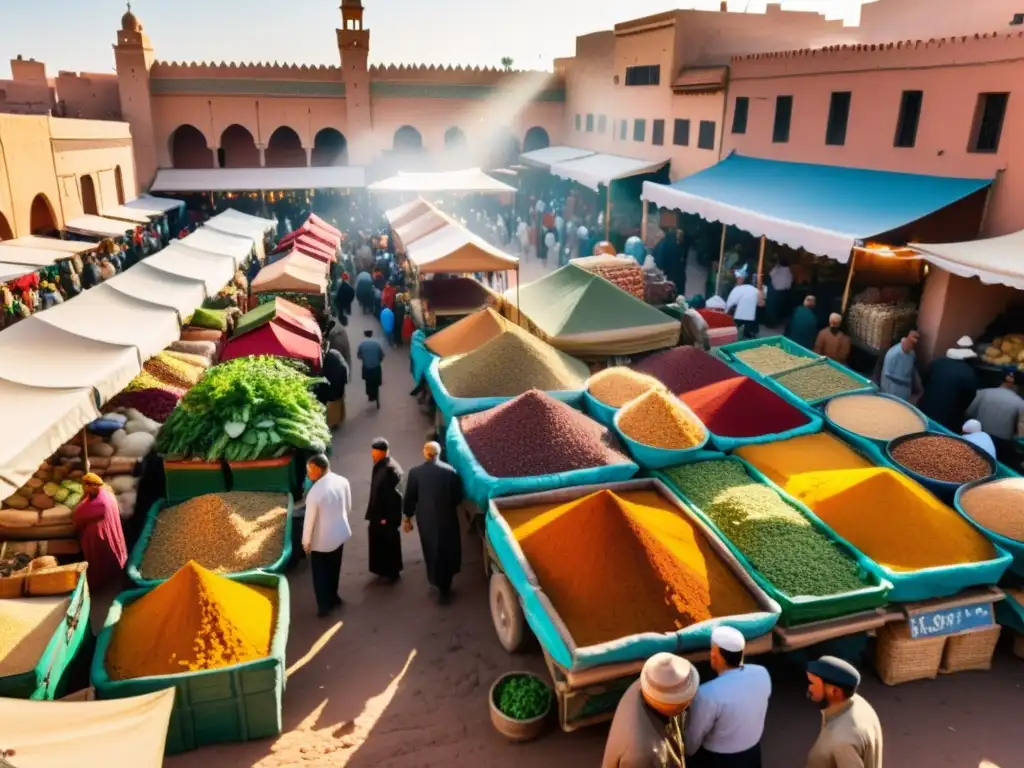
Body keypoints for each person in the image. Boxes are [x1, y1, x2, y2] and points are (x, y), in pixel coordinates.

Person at [685, 626, 771, 767]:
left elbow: (692, 741)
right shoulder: (762, 673)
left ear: (714, 656)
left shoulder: (707, 693)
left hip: (720, 761)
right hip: (753, 754)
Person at [602, 652, 700, 768]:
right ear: (665, 703)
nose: (688, 705)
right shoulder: (640, 755)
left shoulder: (647, 685)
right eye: (682, 703)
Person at [402, 441, 464, 604]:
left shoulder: (415, 473)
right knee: (447, 548)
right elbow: (458, 497)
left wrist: (408, 517)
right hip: (447, 518)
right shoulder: (450, 472)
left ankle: (435, 580)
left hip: (426, 519)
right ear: (438, 453)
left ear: (426, 453)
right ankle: (446, 583)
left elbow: (410, 498)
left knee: (431, 549)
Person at [805, 656, 883, 768]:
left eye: (812, 683)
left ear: (834, 692)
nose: (809, 688)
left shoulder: (842, 742)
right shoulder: (856, 702)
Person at [302, 454, 352, 618]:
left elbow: (309, 522)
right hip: (340, 534)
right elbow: (348, 507)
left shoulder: (314, 493)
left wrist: (306, 542)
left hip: (321, 541)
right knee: (334, 569)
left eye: (309, 469)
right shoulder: (342, 481)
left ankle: (323, 606)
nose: (308, 473)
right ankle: (334, 597)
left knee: (320, 574)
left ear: (317, 468)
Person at [72, 473, 127, 592]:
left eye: (85, 485)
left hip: (100, 537)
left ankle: (101, 586)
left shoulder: (100, 502)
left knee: (100, 561)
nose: (83, 488)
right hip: (103, 533)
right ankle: (111, 580)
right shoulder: (106, 494)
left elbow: (78, 515)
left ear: (92, 486)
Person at [917, 337, 979, 431]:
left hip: (925, 409)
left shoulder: (937, 362)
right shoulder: (969, 372)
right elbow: (969, 397)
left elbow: (924, 379)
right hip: (947, 418)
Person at [366, 438, 404, 584]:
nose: (372, 455)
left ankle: (392, 571)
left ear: (382, 452)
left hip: (385, 516)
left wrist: (385, 517)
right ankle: (383, 569)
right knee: (379, 542)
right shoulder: (381, 465)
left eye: (374, 452)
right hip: (378, 514)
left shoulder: (389, 469)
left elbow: (393, 497)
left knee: (388, 543)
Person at [965, 370, 1024, 464]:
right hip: (1002, 446)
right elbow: (1021, 433)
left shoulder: (983, 393)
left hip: (978, 437)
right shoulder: (1020, 403)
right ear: (1019, 386)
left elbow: (969, 413)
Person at [880, 330, 923, 402]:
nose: (914, 342)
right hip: (891, 397)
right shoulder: (892, 354)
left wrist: (918, 394)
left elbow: (915, 379)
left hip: (904, 398)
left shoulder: (911, 355)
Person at [726, 269, 762, 340]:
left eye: (738, 278)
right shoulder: (756, 290)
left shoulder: (737, 289)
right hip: (752, 321)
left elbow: (729, 304)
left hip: (738, 319)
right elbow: (761, 304)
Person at [357, 329, 385, 407]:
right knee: (377, 382)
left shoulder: (362, 344)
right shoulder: (377, 344)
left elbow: (359, 356)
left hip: (366, 367)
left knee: (368, 381)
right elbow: (382, 355)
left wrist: (364, 358)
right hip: (376, 366)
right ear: (371, 335)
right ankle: (376, 396)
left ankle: (370, 395)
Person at [767, 259, 793, 327]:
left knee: (772, 308)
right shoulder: (788, 271)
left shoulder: (778, 269)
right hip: (784, 292)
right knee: (778, 308)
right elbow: (790, 282)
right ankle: (776, 321)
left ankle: (770, 323)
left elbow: (770, 274)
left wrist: (776, 266)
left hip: (776, 290)